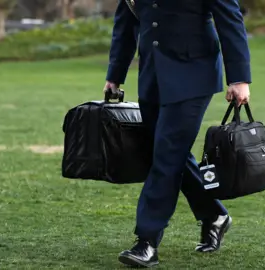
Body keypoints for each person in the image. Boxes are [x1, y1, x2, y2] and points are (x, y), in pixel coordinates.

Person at [104, 0, 251, 267]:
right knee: (168, 151)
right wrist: (115, 75)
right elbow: (126, 23)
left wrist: (239, 78)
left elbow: (230, 18)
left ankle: (146, 241)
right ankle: (214, 214)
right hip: (152, 75)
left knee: (168, 153)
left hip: (194, 74)